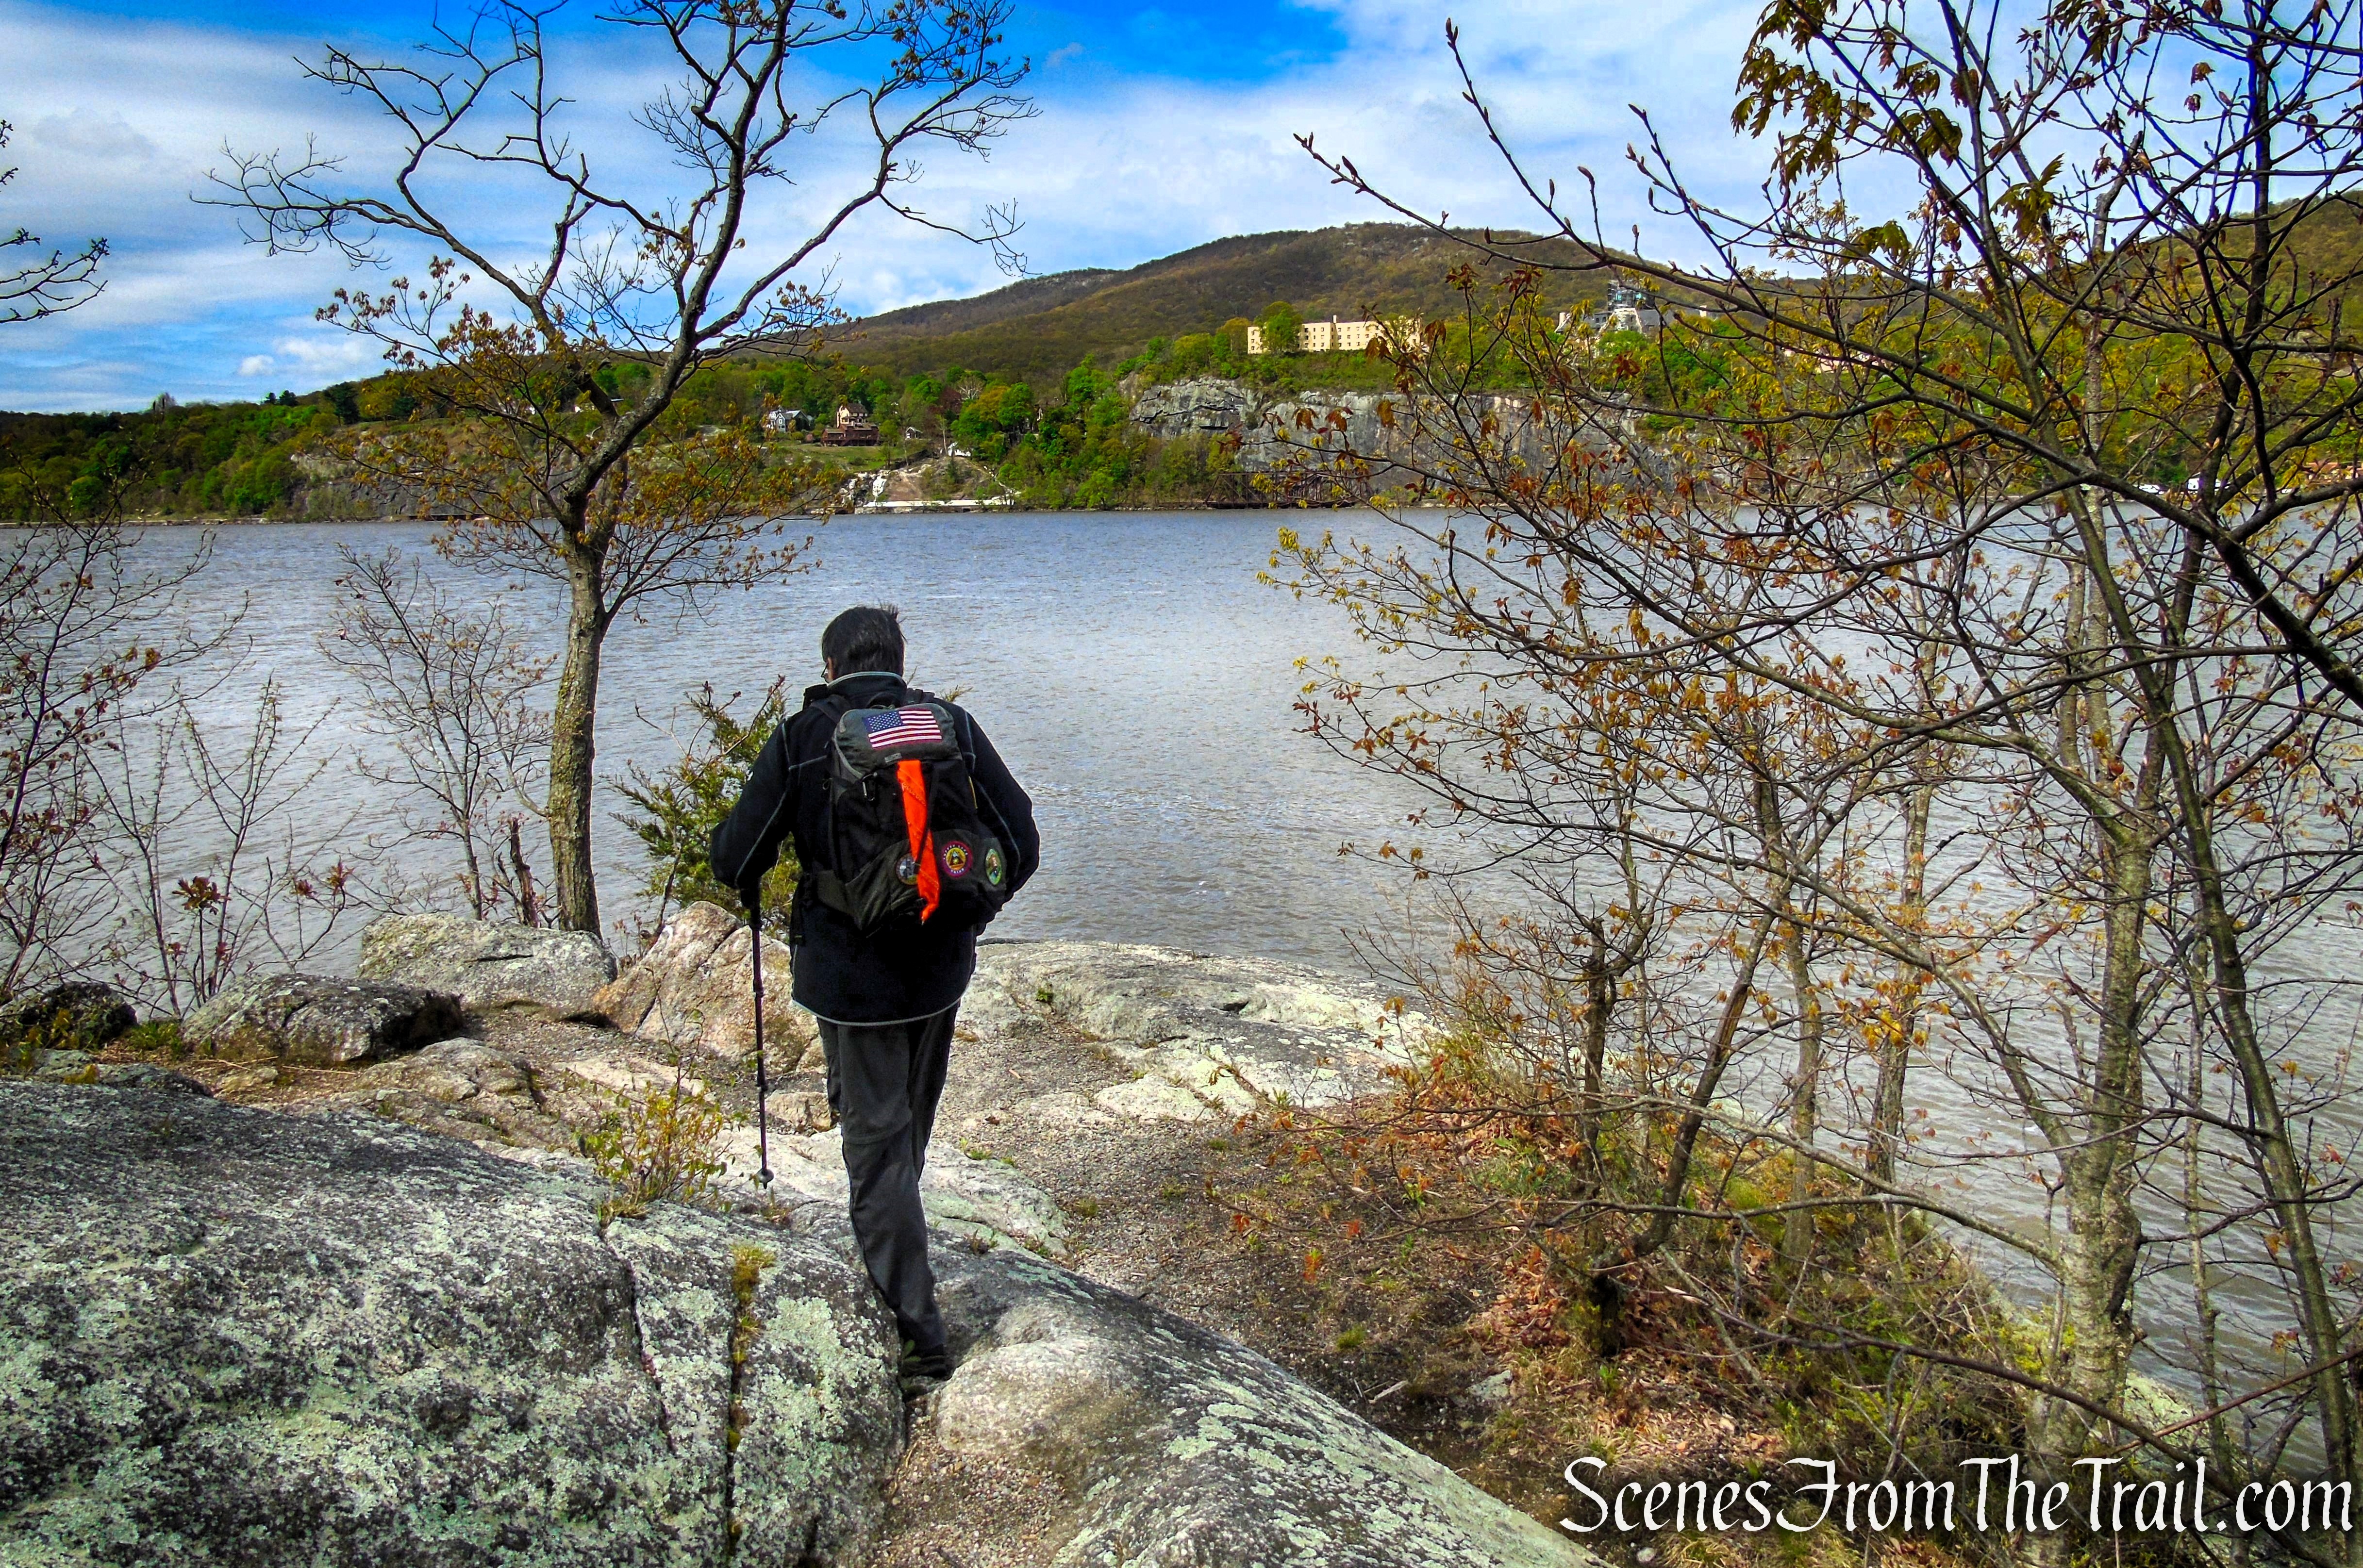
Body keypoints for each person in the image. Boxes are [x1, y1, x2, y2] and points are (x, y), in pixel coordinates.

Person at [710, 605, 1038, 1387]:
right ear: (899, 658)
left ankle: (917, 1339)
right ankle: (898, 1248)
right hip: (939, 971)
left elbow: (734, 860)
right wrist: (970, 908)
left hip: (851, 980)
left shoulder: (802, 739)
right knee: (900, 1139)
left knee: (877, 1148)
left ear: (830, 668)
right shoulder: (947, 724)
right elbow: (1021, 837)